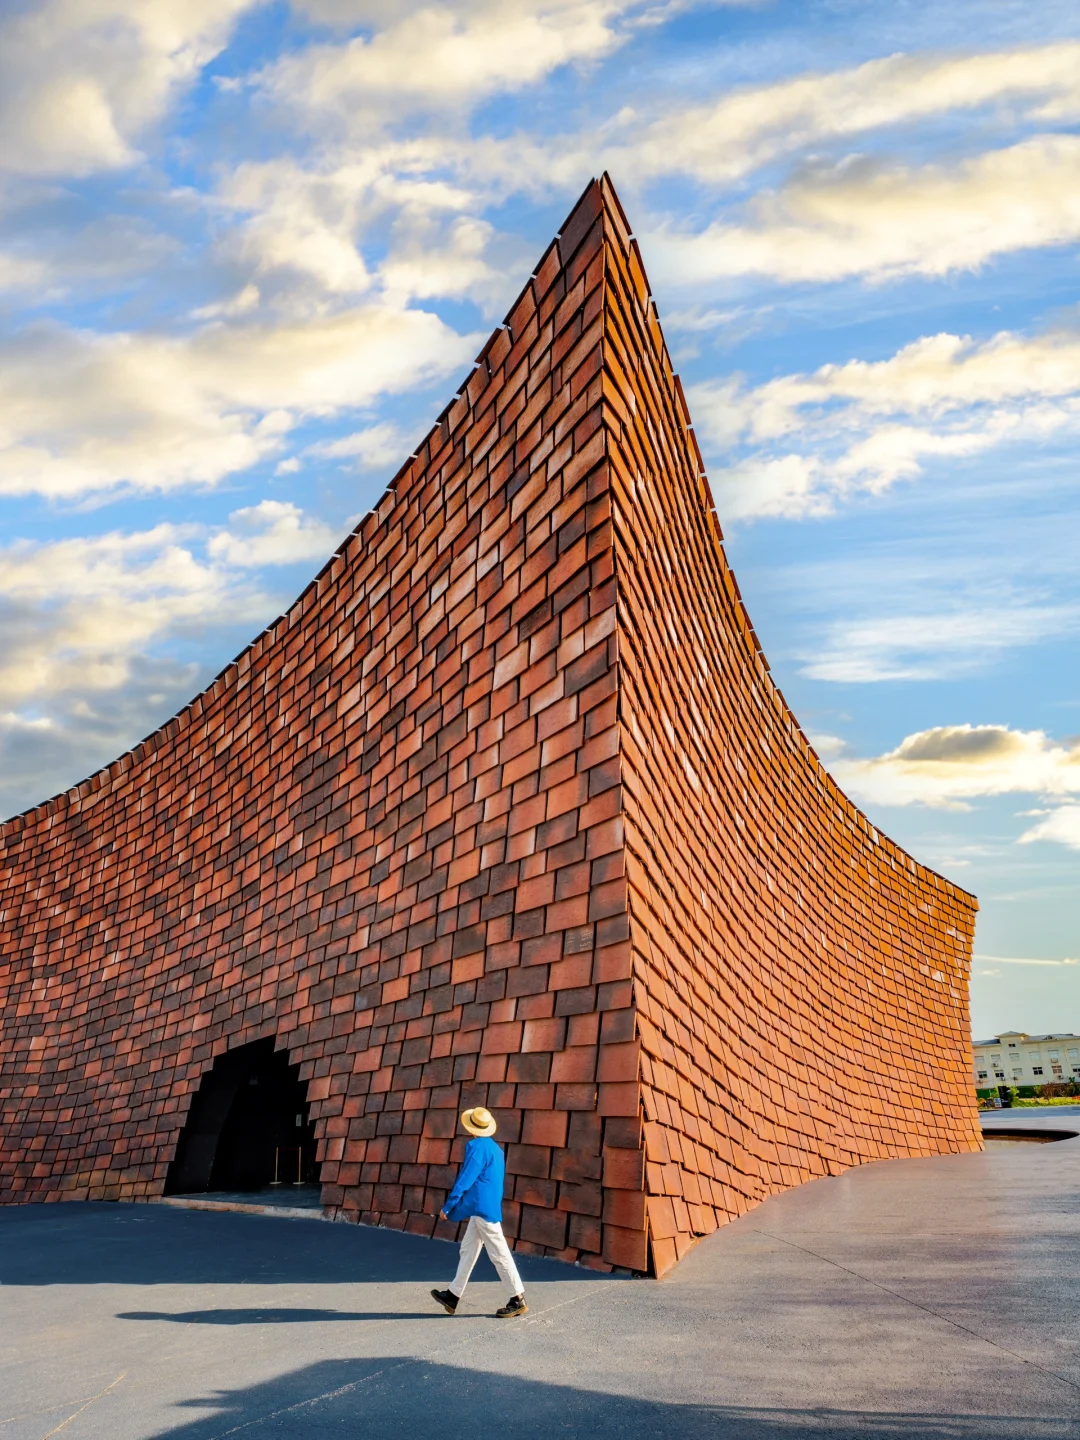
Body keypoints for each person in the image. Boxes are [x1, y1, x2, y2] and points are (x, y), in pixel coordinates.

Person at [430, 1106, 527, 1319]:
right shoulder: (496, 1150)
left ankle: (517, 1298)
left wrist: (449, 1206)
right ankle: (453, 1296)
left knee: (499, 1253)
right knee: (468, 1249)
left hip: (481, 1208)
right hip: (486, 1206)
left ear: (471, 1127)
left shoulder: (476, 1147)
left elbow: (466, 1178)